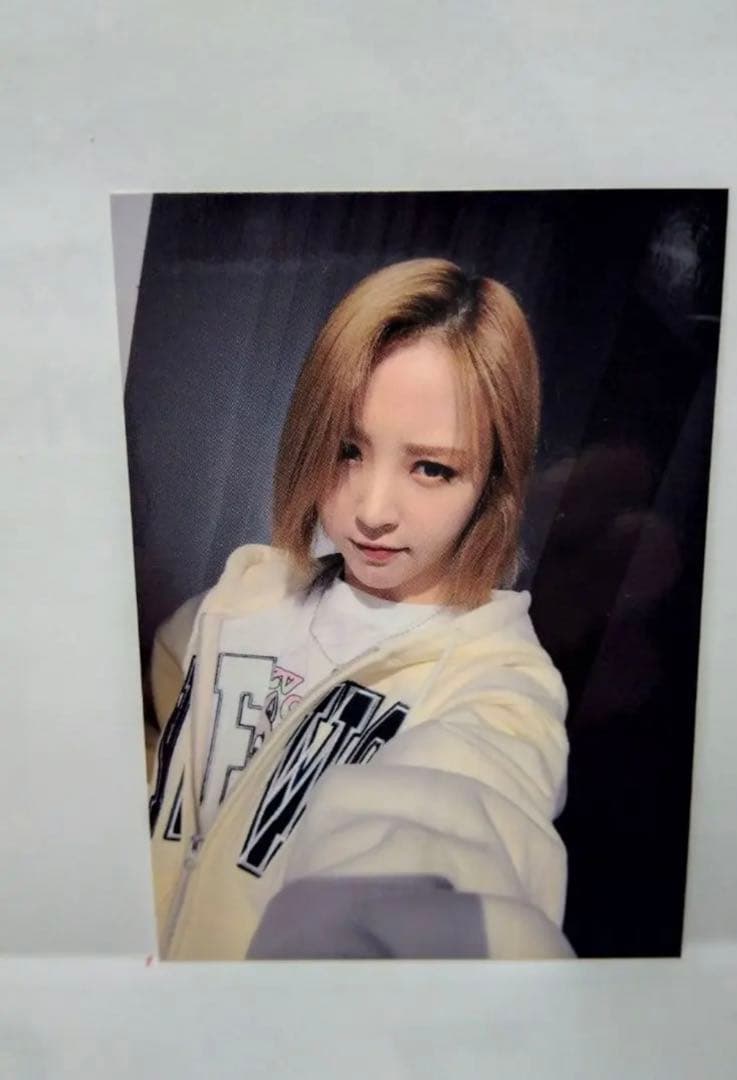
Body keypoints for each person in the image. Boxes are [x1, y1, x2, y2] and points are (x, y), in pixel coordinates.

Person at [147, 258, 573, 960]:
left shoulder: (497, 684)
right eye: (347, 450)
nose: (372, 511)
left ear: (492, 482)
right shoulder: (239, 599)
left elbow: (464, 814)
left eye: (431, 468)